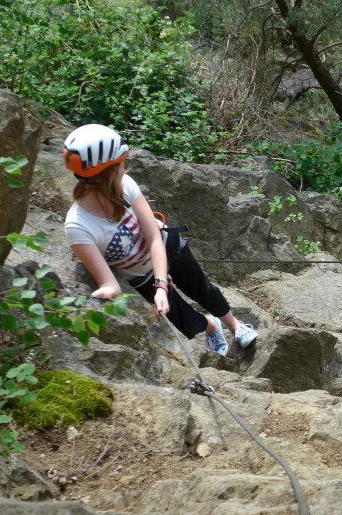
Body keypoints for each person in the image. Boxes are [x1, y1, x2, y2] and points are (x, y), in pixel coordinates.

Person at [62, 123, 257, 355]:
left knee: (202, 289)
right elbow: (109, 283)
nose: (125, 169)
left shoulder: (126, 186)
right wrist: (106, 293)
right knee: (182, 320)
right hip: (140, 275)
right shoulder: (78, 227)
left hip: (167, 247)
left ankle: (235, 326)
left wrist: (162, 285)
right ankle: (211, 326)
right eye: (121, 164)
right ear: (109, 172)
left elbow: (154, 236)